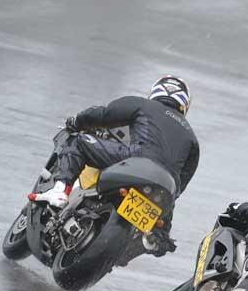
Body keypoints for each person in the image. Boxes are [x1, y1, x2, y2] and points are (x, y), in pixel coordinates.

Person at [29, 75, 199, 213]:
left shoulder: (144, 105)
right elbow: (182, 183)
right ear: (185, 104)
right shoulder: (192, 137)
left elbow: (103, 114)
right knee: (158, 233)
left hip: (137, 159)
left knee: (79, 143)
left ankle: (60, 191)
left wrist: (76, 122)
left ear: (155, 91)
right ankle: (153, 237)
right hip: (165, 186)